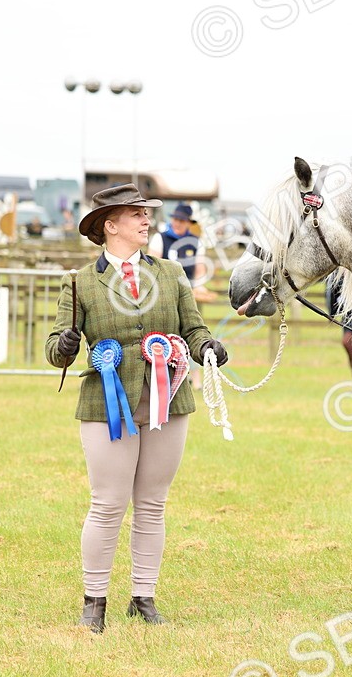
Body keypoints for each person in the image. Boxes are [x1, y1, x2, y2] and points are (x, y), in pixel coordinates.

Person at [46, 184, 228, 634]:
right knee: (107, 504)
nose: (147, 221)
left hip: (169, 402)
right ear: (110, 225)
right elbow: (54, 349)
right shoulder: (79, 282)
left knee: (152, 503)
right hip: (107, 406)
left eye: (147, 214)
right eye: (136, 214)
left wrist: (209, 348)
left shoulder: (171, 274)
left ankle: (143, 597)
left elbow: (195, 328)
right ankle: (95, 601)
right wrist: (65, 346)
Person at [325, 271, 352, 387]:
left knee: (348, 342)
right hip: (347, 312)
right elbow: (331, 291)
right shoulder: (335, 272)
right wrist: (332, 313)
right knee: (348, 344)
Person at [148, 203, 204, 286]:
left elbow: (200, 271)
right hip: (164, 287)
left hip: (188, 287)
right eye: (175, 219)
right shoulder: (159, 238)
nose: (177, 223)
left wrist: (199, 286)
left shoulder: (196, 242)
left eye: (182, 221)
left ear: (188, 223)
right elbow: (152, 267)